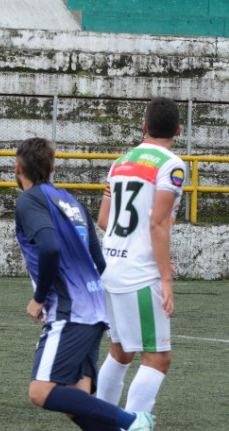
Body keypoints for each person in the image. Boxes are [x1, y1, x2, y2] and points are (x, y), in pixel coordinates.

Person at [13, 137, 155, 431]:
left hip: (71, 309)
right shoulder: (71, 201)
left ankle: (132, 421)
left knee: (41, 392)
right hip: (94, 306)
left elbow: (50, 248)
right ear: (52, 167)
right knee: (76, 403)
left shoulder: (29, 201)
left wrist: (40, 298)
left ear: (18, 168)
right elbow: (98, 261)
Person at [95, 98, 185, 417]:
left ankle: (100, 422)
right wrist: (165, 276)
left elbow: (104, 220)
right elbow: (158, 223)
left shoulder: (120, 162)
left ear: (144, 127)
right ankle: (133, 425)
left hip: (111, 267)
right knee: (158, 358)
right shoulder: (171, 164)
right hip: (139, 275)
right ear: (178, 130)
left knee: (120, 352)